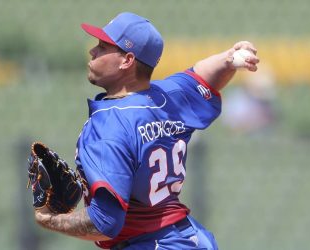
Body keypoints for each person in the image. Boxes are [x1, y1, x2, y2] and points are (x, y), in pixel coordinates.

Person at [33, 12, 259, 249]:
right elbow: (204, 77)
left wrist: (50, 220)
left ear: (127, 60)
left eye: (102, 46)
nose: (93, 52)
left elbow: (105, 222)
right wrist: (229, 59)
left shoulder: (108, 126)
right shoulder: (168, 96)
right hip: (192, 240)